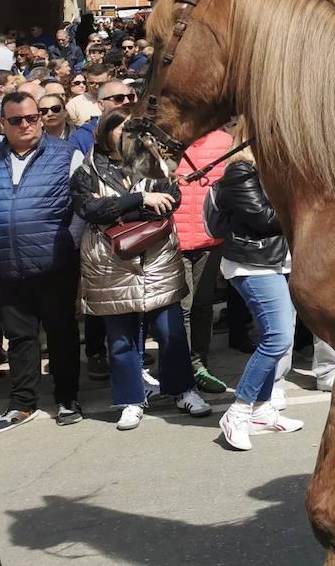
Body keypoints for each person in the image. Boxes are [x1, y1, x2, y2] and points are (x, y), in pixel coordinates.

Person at [70, 107, 211, 430]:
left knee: (170, 332)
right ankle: (131, 400)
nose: (129, 137)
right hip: (110, 264)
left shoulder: (154, 163)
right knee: (121, 340)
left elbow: (170, 201)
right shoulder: (88, 169)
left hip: (157, 258)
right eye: (122, 131)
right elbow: (88, 208)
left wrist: (118, 212)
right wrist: (141, 199)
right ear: (106, 133)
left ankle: (183, 390)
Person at [0, 91, 84, 432]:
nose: (26, 125)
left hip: (54, 264)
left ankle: (67, 398)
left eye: (32, 118)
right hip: (5, 266)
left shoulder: (66, 154)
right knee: (19, 338)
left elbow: (82, 205)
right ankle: (22, 404)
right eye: (16, 120)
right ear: (4, 124)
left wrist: (69, 243)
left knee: (61, 333)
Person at [211, 133, 305, 450]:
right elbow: (264, 219)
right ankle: (238, 411)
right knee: (278, 338)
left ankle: (262, 410)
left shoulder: (273, 168)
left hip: (275, 262)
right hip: (252, 264)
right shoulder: (240, 171)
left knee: (277, 337)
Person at [173, 128, 233, 394]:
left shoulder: (225, 141)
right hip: (175, 240)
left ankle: (200, 364)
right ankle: (182, 367)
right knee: (182, 307)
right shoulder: (168, 142)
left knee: (203, 304)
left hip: (211, 240)